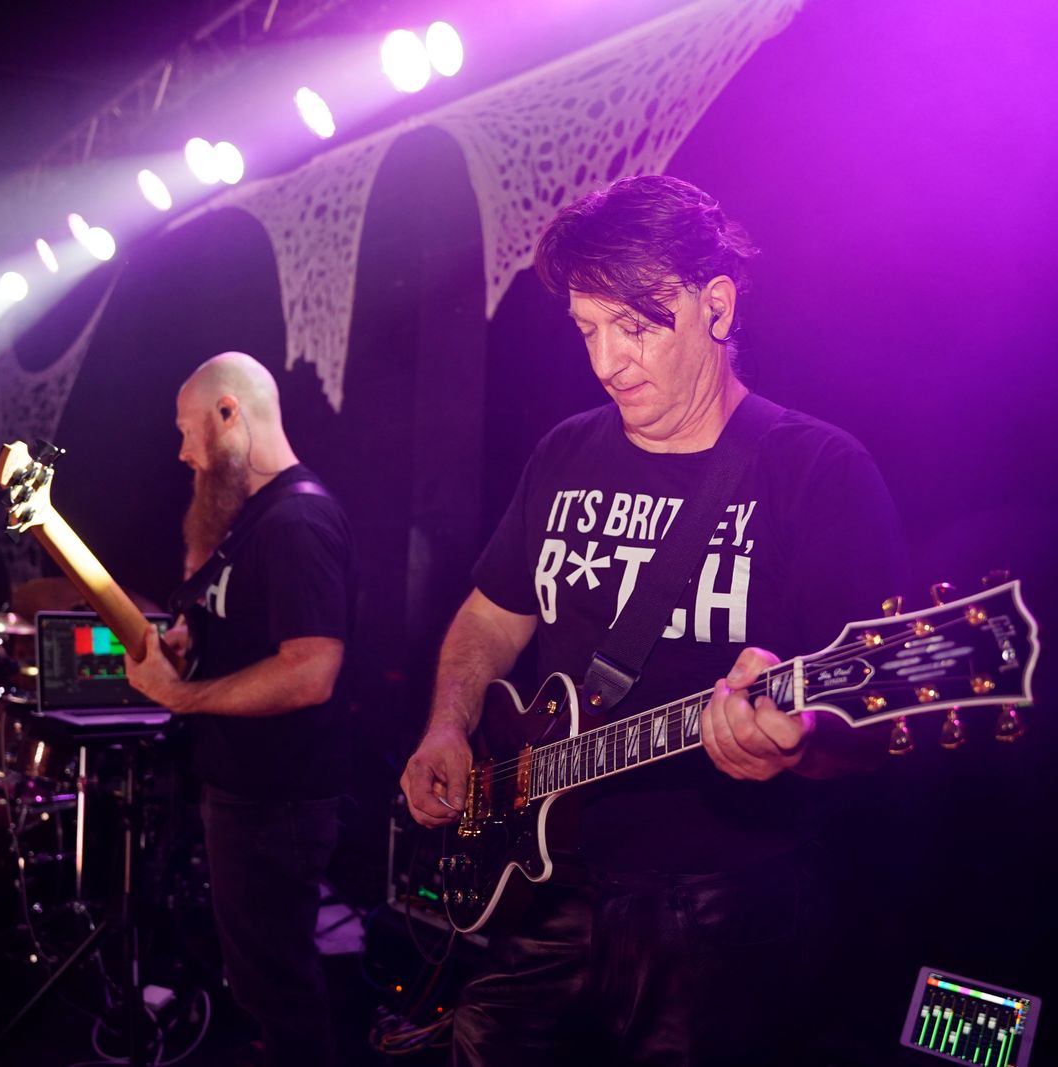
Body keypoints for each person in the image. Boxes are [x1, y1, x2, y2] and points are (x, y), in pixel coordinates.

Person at [399, 174, 908, 1065]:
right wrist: (448, 721)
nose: (607, 362)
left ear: (717, 305)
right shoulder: (565, 450)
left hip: (720, 910)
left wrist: (801, 741)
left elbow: (875, 713)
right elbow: (492, 612)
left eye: (635, 326)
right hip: (548, 890)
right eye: (587, 330)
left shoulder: (816, 471)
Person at [125, 352, 354, 1067]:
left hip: (276, 800)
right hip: (244, 791)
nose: (182, 451)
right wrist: (193, 640)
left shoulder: (298, 520)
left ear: (229, 413)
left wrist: (181, 696)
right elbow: (248, 630)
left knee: (278, 989)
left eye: (187, 430)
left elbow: (311, 670)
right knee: (260, 981)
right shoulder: (256, 516)